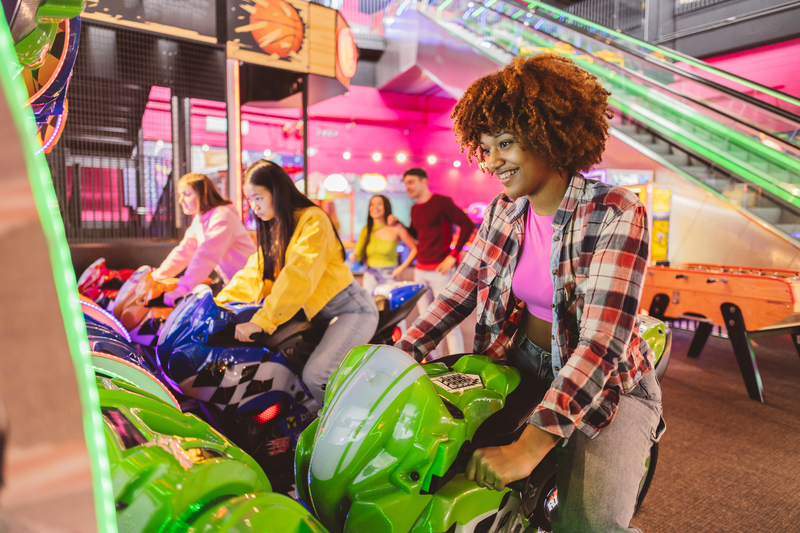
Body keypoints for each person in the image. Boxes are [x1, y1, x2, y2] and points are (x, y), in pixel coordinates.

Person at [395, 54, 664, 533]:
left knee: (590, 524)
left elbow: (601, 342)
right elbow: (455, 296)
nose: (492, 160)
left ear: (549, 135)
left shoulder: (617, 211)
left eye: (505, 143)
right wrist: (396, 356)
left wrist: (531, 444)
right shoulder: (504, 211)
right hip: (521, 361)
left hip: (610, 386)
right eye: (485, 147)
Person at [215, 160, 379, 404]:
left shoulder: (313, 221)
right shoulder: (277, 227)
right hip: (319, 316)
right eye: (250, 200)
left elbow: (298, 275)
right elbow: (254, 273)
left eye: (258, 198)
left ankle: (353, 432)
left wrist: (262, 320)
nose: (254, 207)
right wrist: (219, 303)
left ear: (277, 192)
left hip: (351, 310)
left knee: (316, 376)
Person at [398, 168, 474, 357]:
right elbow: (417, 235)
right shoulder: (415, 209)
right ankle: (435, 361)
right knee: (427, 322)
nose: (408, 186)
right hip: (420, 270)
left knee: (448, 319)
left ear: (424, 181)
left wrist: (453, 254)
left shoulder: (441, 202)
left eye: (412, 182)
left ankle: (457, 361)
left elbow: (467, 224)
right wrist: (396, 224)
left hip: (441, 270)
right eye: (406, 183)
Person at [154, 173, 255, 306]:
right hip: (237, 286)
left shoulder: (222, 216)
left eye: (186, 194)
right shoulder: (200, 219)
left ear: (203, 194)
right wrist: (157, 277)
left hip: (253, 285)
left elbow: (206, 255)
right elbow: (184, 251)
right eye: (180, 195)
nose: (180, 200)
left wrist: (182, 289)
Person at [350, 195, 418, 293]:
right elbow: (358, 255)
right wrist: (354, 256)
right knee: (371, 307)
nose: (375, 207)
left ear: (386, 207)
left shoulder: (396, 227)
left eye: (379, 204)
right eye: (372, 204)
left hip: (389, 275)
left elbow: (414, 248)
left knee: (389, 307)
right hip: (370, 275)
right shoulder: (366, 230)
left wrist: (401, 268)